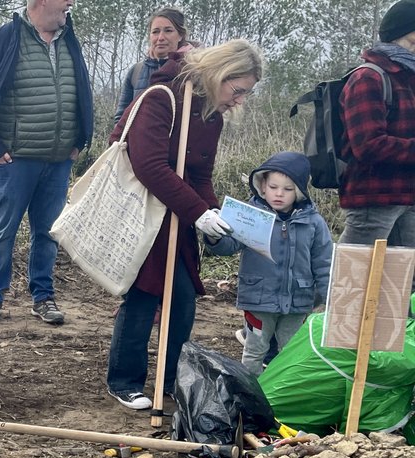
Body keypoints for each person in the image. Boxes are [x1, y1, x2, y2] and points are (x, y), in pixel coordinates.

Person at [105, 39, 264, 410]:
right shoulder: (163, 97)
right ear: (220, 73)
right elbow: (150, 166)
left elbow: (200, 173)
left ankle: (171, 378)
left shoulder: (211, 115)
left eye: (246, 94)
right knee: (145, 293)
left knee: (182, 299)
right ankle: (124, 381)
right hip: (145, 213)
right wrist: (199, 213)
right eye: (237, 90)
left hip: (178, 214)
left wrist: (213, 215)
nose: (239, 100)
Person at [0, 0, 93, 326]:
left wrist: (79, 140)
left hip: (57, 161)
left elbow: (80, 88)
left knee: (48, 233)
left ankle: (43, 297)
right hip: (15, 160)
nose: (70, 3)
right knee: (3, 230)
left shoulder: (70, 39)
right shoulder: (3, 38)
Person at [205, 152, 332, 375]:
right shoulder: (251, 216)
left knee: (290, 352)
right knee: (254, 351)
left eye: (288, 189)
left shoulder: (314, 222)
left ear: (300, 192)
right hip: (258, 299)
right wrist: (214, 236)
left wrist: (331, 298)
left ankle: (282, 395)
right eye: (274, 187)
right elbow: (229, 246)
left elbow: (324, 263)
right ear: (263, 186)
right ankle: (252, 395)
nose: (279, 194)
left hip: (297, 302)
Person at [338, 0, 415, 257]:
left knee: (401, 285)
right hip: (372, 199)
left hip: (409, 196)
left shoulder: (409, 79)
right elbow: (368, 146)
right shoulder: (368, 77)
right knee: (354, 279)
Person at [113, 7, 189, 123]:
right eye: (155, 32)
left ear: (180, 35)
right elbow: (121, 118)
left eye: (168, 31)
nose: (161, 38)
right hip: (139, 141)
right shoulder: (136, 72)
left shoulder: (191, 71)